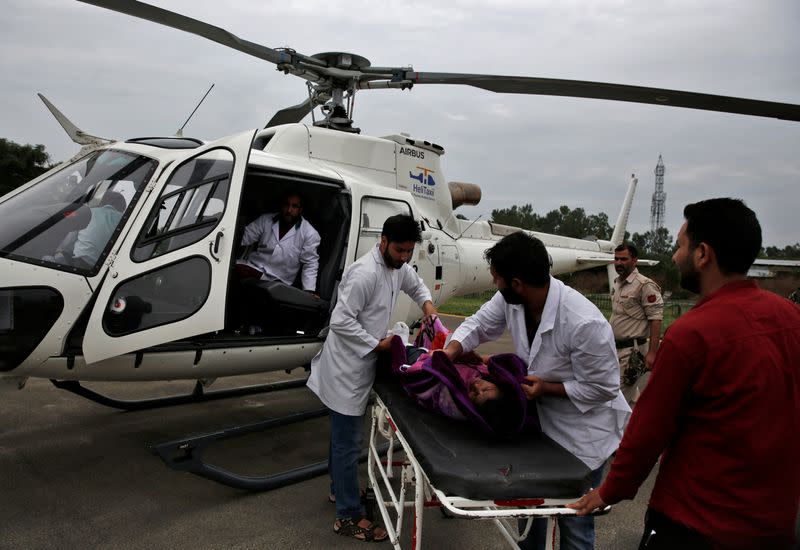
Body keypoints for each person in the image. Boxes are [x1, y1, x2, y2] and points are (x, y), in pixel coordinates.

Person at [567, 198, 800, 549]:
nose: (675, 257)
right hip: (775, 522)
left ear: (703, 254)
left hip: (696, 523)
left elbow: (649, 429)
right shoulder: (791, 317)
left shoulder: (693, 333)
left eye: (680, 246)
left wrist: (610, 490)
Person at [440, 231, 630, 550]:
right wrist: (451, 352)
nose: (494, 284)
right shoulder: (513, 299)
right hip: (540, 427)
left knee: (575, 526)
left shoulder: (584, 323)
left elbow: (603, 388)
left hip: (583, 438)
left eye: (497, 278)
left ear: (517, 283)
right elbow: (479, 324)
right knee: (529, 516)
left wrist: (548, 388)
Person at [307, 214, 437, 543]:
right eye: (399, 250)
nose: (404, 256)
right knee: (348, 442)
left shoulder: (397, 267)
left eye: (409, 251)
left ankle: (340, 490)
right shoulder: (364, 274)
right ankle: (348, 517)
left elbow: (415, 283)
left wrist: (428, 307)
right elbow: (340, 321)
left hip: (361, 363)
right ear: (383, 240)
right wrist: (377, 344)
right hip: (346, 369)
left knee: (342, 439)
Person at [610, 243, 664, 404]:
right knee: (626, 398)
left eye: (623, 259)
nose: (619, 263)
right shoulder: (617, 283)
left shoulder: (644, 285)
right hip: (614, 349)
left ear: (634, 261)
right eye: (616, 259)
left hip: (631, 352)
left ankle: (619, 429)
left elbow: (656, 319)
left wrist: (652, 353)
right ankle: (630, 426)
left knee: (616, 400)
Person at [237, 192, 320, 292]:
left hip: (279, 281)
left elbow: (310, 264)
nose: (289, 210)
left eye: (294, 206)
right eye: (286, 205)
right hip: (253, 268)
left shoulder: (309, 233)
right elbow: (243, 237)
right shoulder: (265, 220)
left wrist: (309, 291)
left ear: (300, 210)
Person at [71, 190, 126, 267]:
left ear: (102, 202)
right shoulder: (125, 220)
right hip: (104, 267)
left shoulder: (89, 212)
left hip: (79, 261)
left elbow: (69, 240)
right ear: (122, 207)